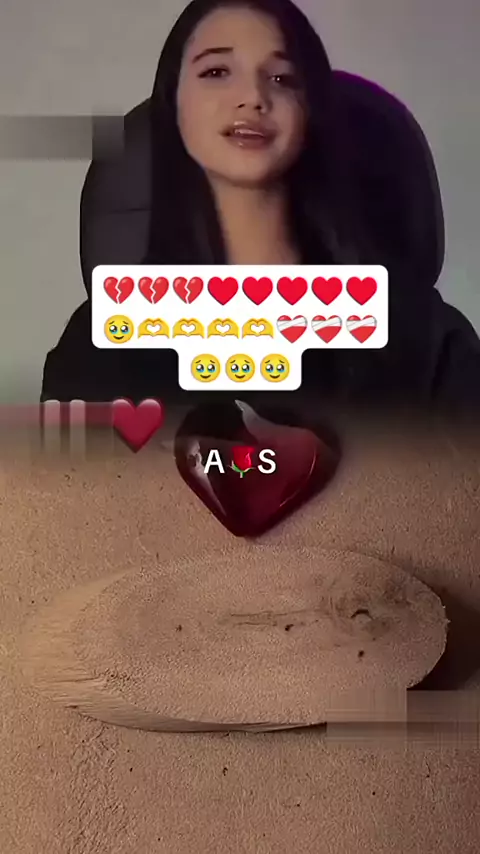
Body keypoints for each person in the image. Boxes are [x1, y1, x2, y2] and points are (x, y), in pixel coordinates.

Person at [41, 0, 480, 416]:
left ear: (311, 111)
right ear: (173, 103)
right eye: (216, 71)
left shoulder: (426, 339)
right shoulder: (99, 343)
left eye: (282, 79)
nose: (252, 96)